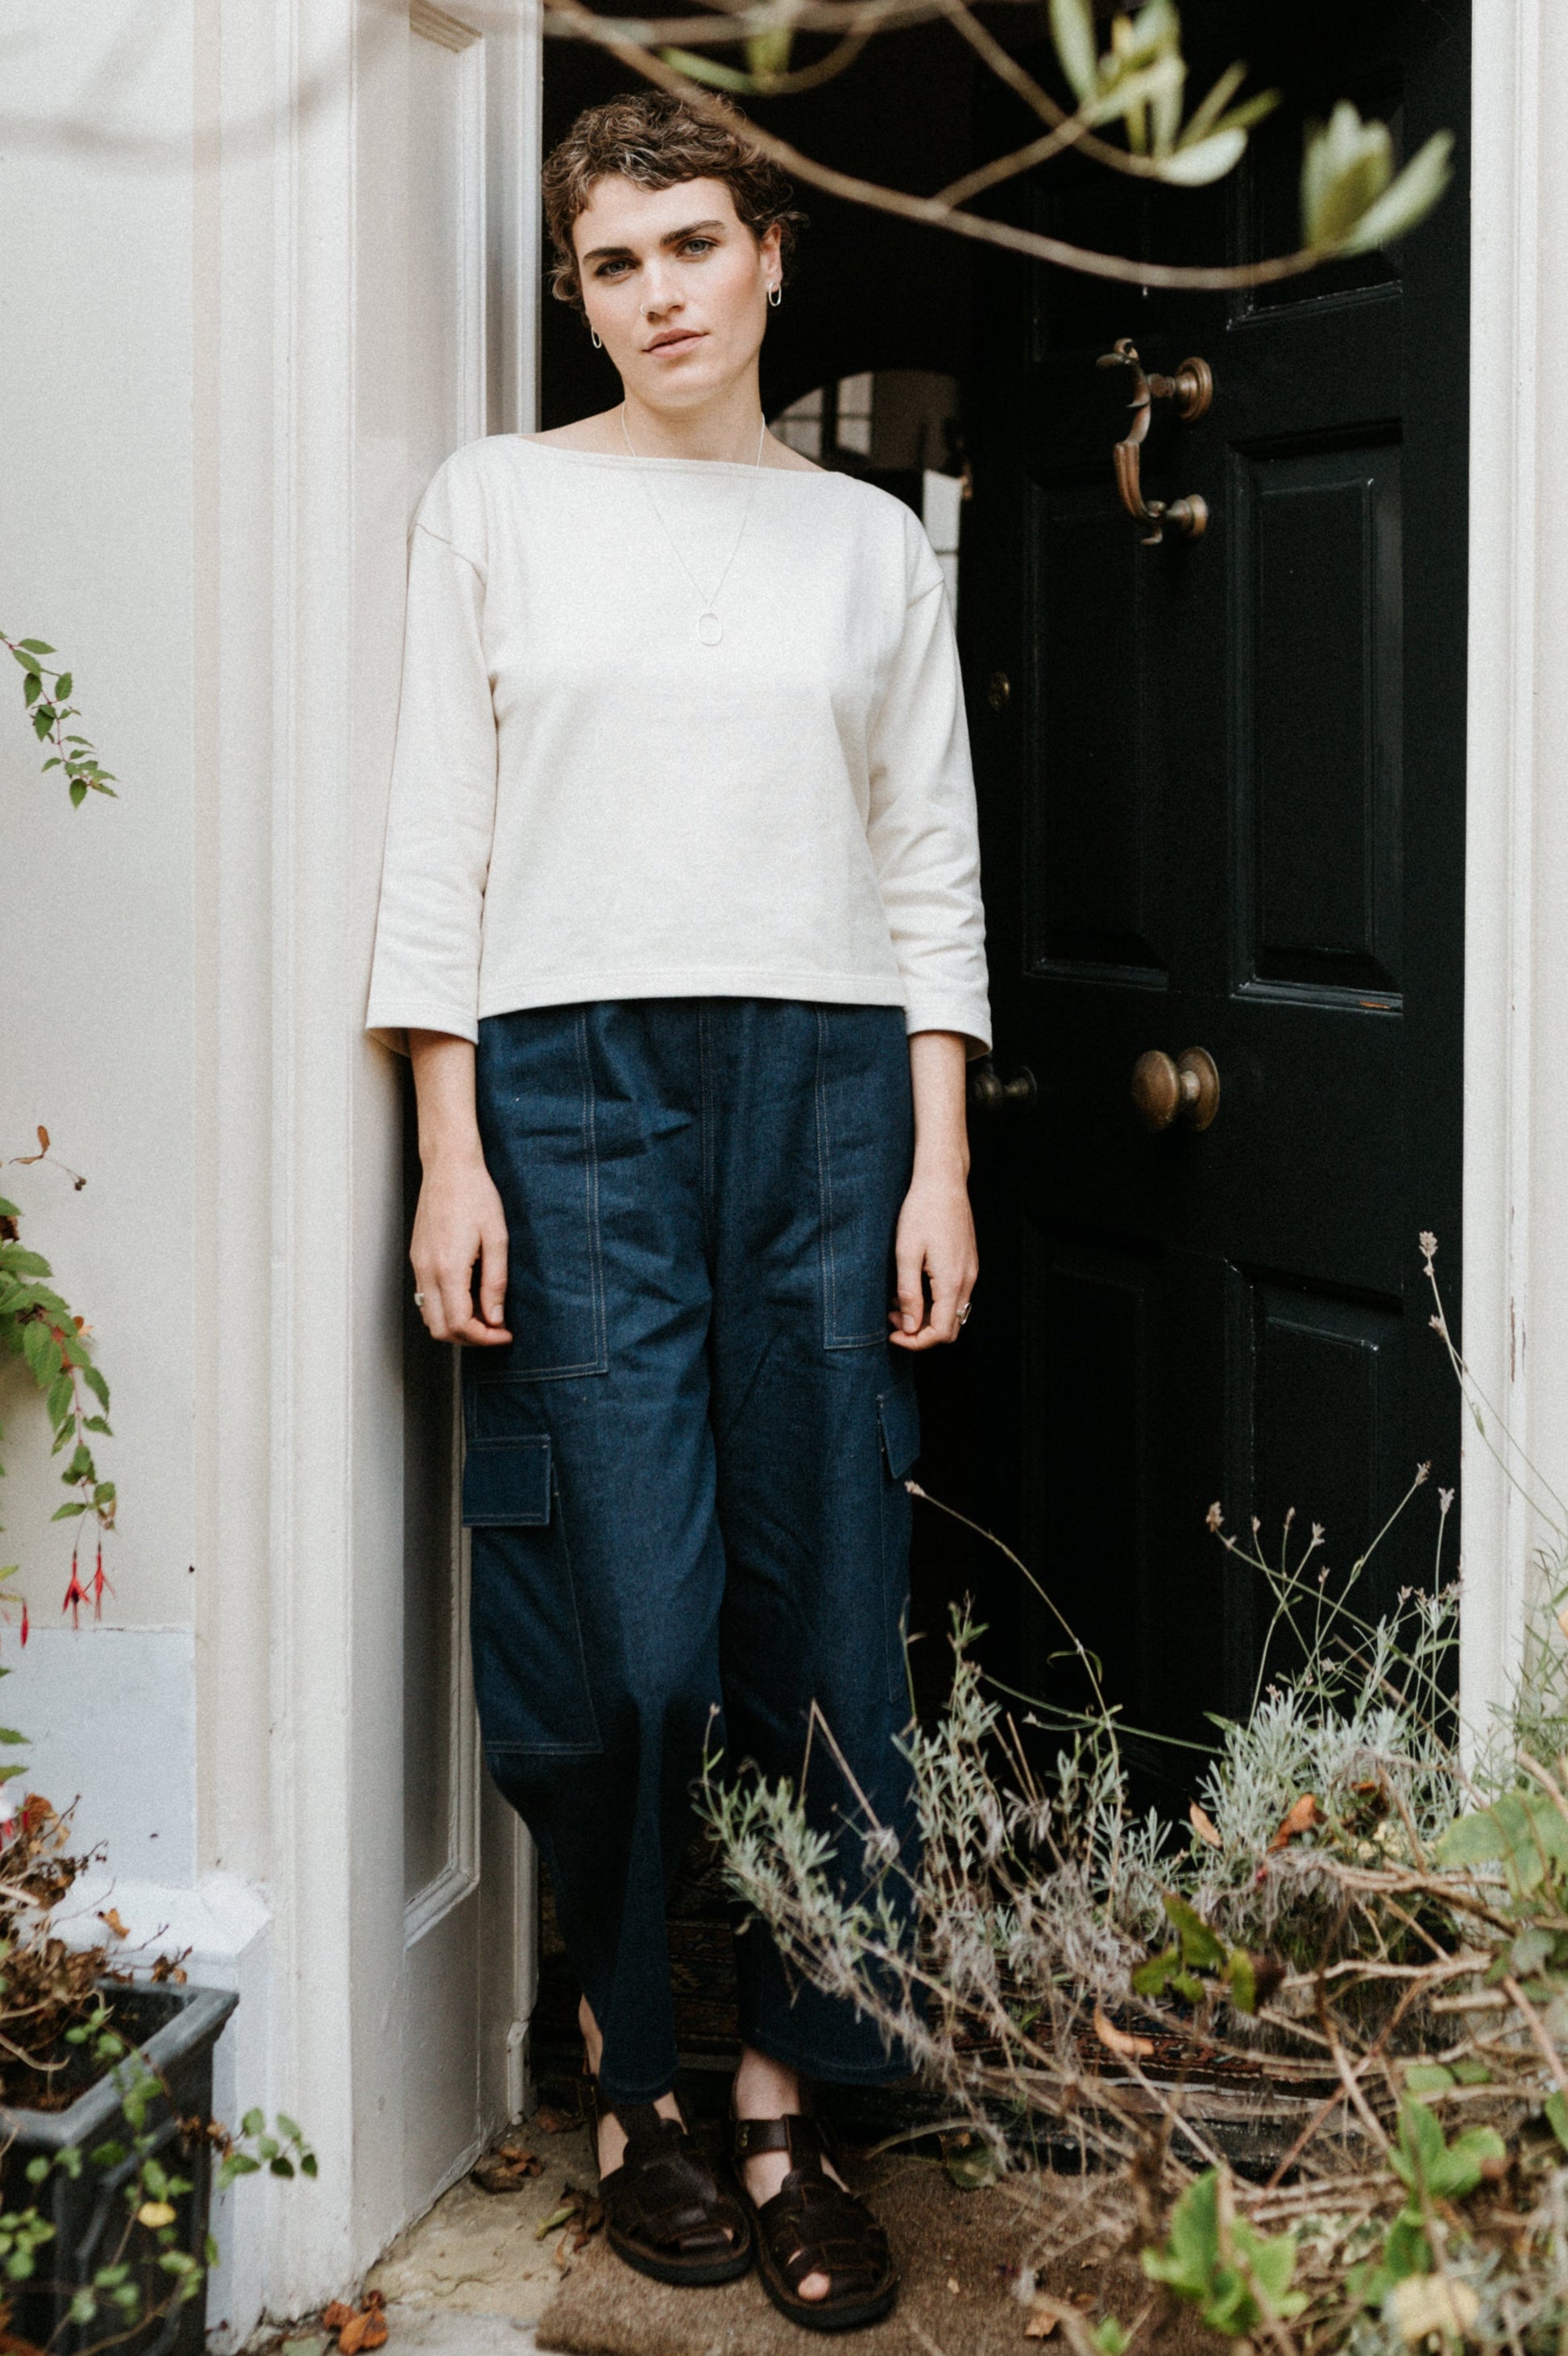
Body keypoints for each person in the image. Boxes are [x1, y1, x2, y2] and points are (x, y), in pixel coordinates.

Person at [367, 88, 989, 2333]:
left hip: (826, 1095)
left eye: (691, 247)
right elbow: (438, 837)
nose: (656, 295)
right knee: (620, 1632)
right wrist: (451, 1141)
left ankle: (781, 2092)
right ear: (581, 289)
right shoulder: (497, 502)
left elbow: (928, 864)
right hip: (572, 1090)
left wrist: (936, 1150)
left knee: (822, 1616)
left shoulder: (867, 548)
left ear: (771, 255)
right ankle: (630, 2058)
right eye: (613, 262)